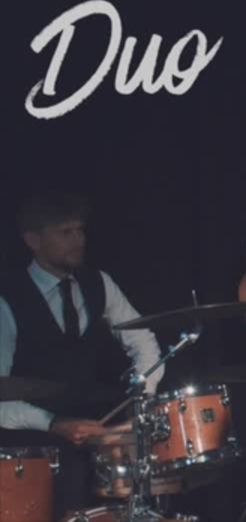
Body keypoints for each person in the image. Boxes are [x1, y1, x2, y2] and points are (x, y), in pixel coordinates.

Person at [0, 189, 165, 519]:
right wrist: (54, 424)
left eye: (80, 230)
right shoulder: (8, 297)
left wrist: (141, 399)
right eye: (66, 233)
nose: (78, 241)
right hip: (31, 447)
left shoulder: (98, 283)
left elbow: (143, 341)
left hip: (94, 437)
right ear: (33, 240)